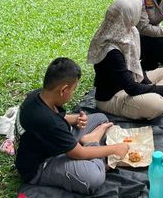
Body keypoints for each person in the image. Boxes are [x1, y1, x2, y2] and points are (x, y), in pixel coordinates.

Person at [15, 58, 129, 194]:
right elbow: (79, 153)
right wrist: (115, 149)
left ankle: (92, 143)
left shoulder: (38, 95)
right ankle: (91, 142)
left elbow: (58, 119)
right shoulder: (49, 122)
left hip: (55, 142)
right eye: (74, 89)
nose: (73, 92)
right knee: (94, 177)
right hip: (42, 165)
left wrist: (75, 119)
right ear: (63, 90)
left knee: (100, 119)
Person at [88, 0, 163, 120]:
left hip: (133, 83)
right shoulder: (111, 50)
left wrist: (151, 87)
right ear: (128, 16)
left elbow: (137, 67)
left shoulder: (131, 32)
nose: (141, 15)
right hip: (114, 96)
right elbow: (131, 88)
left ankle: (153, 99)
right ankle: (157, 101)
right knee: (156, 105)